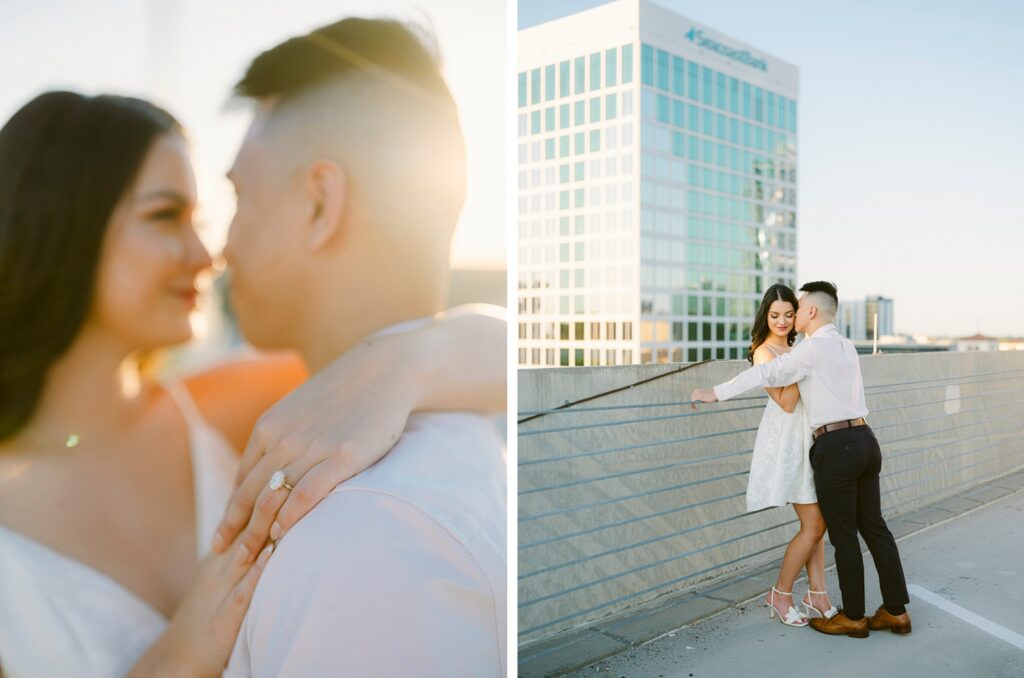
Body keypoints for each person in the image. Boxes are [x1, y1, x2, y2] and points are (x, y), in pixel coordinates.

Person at [0, 89, 504, 676]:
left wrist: (403, 363)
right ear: (60, 225)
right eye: (165, 216)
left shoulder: (224, 405)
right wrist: (169, 662)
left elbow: (498, 354)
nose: (206, 254)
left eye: (199, 220)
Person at [219, 18, 506, 676]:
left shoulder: (361, 538)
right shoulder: (456, 441)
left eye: (237, 194)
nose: (221, 246)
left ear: (320, 204)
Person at [691, 281, 911, 638]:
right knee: (874, 527)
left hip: (836, 445)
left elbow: (764, 374)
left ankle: (853, 617)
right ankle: (896, 612)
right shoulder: (845, 345)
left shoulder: (810, 349)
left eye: (795, 309)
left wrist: (714, 393)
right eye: (777, 314)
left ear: (809, 311)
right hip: (865, 439)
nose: (787, 319)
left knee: (843, 535)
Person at [744, 284, 835, 628]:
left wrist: (805, 357)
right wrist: (805, 364)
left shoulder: (799, 348)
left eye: (788, 314)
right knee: (815, 523)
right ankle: (780, 594)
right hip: (787, 442)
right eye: (774, 315)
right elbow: (784, 401)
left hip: (809, 436)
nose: (782, 321)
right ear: (765, 316)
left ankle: (818, 594)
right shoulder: (764, 353)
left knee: (818, 521)